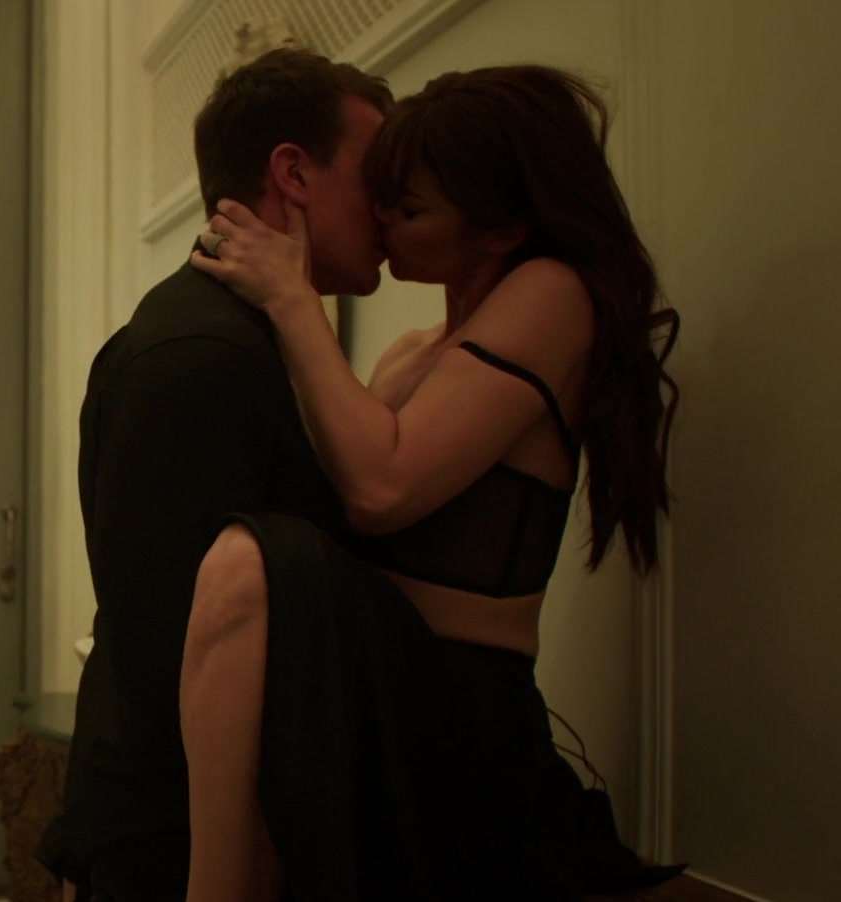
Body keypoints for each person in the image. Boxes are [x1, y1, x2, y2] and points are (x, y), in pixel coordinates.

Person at [180, 65, 684, 900]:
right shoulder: (409, 354)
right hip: (381, 694)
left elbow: (381, 490)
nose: (381, 222)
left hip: (461, 716)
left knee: (245, 564)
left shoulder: (553, 295)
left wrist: (293, 297)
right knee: (248, 568)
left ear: (500, 227)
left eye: (410, 210)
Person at [34, 48, 393, 901]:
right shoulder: (200, 352)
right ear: (293, 174)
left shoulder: (245, 333)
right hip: (180, 847)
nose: (388, 208)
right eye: (373, 177)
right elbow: (172, 651)